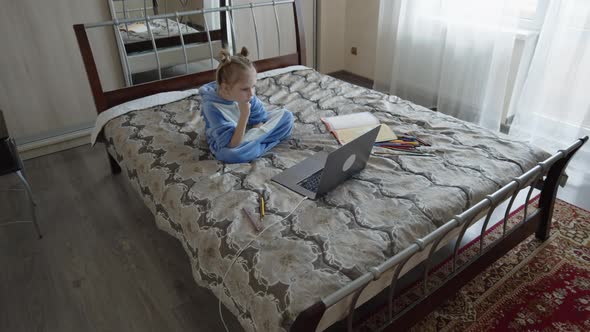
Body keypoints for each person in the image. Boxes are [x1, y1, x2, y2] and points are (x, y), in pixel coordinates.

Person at [200, 47, 294, 163]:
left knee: (287, 117)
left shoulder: (249, 95)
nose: (251, 93)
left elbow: (260, 117)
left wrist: (255, 129)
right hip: (231, 142)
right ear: (225, 88)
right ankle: (261, 143)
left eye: (253, 86)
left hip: (248, 134)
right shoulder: (212, 107)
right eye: (245, 89)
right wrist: (244, 115)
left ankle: (254, 144)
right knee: (231, 155)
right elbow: (232, 144)